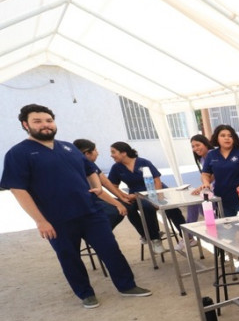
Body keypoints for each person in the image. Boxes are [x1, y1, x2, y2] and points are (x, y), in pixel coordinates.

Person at [1, 104, 152, 308]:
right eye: (38, 121)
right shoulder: (18, 153)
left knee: (110, 249)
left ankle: (127, 286)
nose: (45, 125)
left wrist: (98, 188)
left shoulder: (68, 147)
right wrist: (40, 221)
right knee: (69, 257)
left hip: (91, 212)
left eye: (49, 120)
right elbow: (18, 189)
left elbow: (91, 170)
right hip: (56, 219)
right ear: (25, 124)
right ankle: (85, 294)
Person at [106, 141, 189, 251]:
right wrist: (124, 196)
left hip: (156, 190)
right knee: (129, 208)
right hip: (136, 195)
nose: (111, 155)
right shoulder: (117, 168)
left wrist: (158, 197)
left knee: (169, 208)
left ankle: (187, 237)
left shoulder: (143, 162)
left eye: (113, 152)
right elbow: (113, 186)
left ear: (124, 153)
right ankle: (151, 237)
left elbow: (157, 180)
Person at [194, 124, 239, 217]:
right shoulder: (212, 155)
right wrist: (206, 183)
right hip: (222, 198)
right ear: (217, 138)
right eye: (223, 135)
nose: (227, 138)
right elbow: (205, 174)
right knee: (228, 227)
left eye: (230, 136)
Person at [72, 139, 129, 231]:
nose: (97, 153)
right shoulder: (80, 165)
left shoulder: (91, 164)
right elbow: (97, 191)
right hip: (84, 200)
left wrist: (122, 197)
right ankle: (98, 234)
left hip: (95, 197)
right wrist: (118, 204)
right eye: (95, 150)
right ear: (87, 153)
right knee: (114, 211)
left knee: (127, 206)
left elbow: (105, 182)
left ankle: (104, 234)